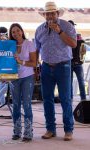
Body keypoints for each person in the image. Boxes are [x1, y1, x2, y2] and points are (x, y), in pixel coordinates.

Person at [35, 1, 77, 141]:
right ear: (44, 15)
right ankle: (50, 129)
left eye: (53, 13)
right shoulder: (39, 29)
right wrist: (35, 66)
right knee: (47, 99)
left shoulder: (67, 26)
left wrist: (59, 31)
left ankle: (68, 130)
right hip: (46, 67)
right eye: (47, 14)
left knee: (65, 99)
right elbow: (36, 49)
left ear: (57, 13)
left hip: (63, 66)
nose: (50, 16)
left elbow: (73, 44)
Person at [9, 23, 37, 142]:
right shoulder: (10, 45)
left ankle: (28, 132)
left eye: (18, 30)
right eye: (13, 32)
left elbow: (34, 63)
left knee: (26, 104)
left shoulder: (29, 44)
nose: (16, 33)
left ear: (22, 31)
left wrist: (21, 62)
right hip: (14, 78)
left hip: (27, 77)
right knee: (15, 105)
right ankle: (16, 131)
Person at [68, 20, 86, 101]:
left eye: (73, 26)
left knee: (81, 82)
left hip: (78, 64)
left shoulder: (79, 37)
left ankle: (83, 99)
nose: (72, 28)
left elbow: (83, 50)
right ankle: (70, 98)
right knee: (69, 82)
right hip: (69, 63)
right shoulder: (65, 37)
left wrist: (82, 59)